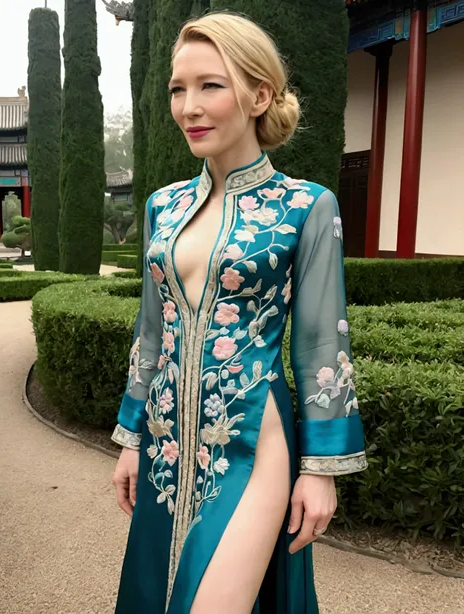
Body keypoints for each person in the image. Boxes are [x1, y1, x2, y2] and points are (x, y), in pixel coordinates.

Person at [110, 11, 368, 614]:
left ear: (259, 94)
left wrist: (321, 469)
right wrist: (130, 436)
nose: (188, 107)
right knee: (158, 593)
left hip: (254, 440)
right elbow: (151, 335)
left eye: (210, 86)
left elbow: (320, 346)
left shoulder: (306, 205)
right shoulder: (162, 207)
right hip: (168, 444)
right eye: (178, 88)